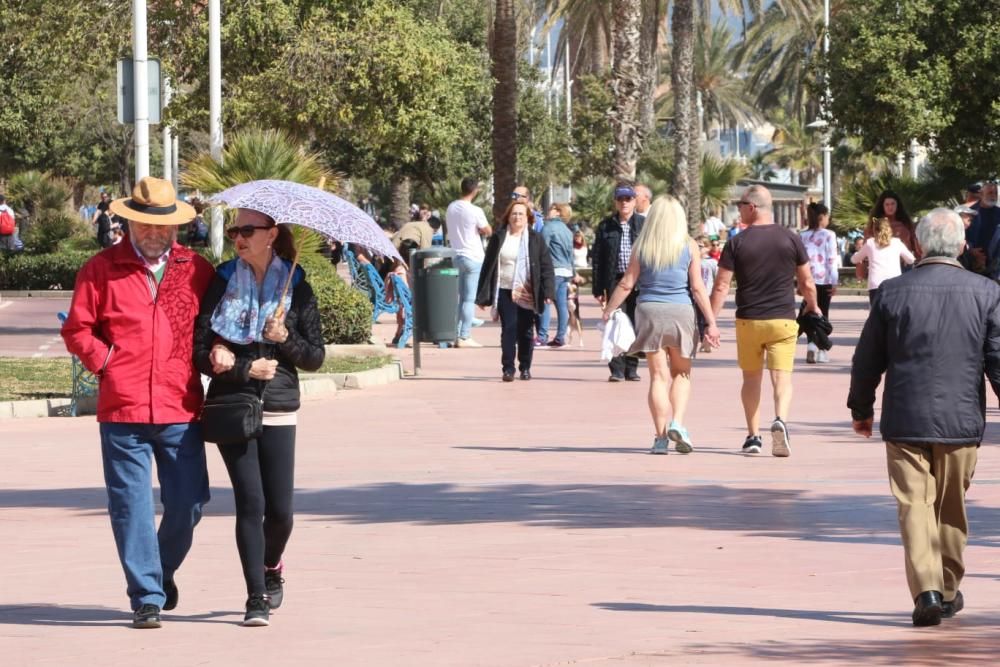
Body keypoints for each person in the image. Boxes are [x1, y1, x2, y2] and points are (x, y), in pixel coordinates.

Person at [60, 177, 215, 629]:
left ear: (176, 228)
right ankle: (146, 595)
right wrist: (107, 361)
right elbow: (77, 329)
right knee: (130, 505)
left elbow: (215, 323)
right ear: (129, 222)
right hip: (122, 409)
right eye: (144, 224)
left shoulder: (195, 268)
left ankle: (161, 573)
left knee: (190, 502)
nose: (153, 233)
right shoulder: (100, 268)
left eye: (162, 226)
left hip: (181, 405)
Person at [848, 208, 1000, 627]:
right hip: (961, 421)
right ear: (963, 246)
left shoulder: (892, 293)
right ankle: (947, 589)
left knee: (914, 506)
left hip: (904, 417)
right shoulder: (986, 292)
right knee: (952, 507)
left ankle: (928, 590)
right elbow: (998, 360)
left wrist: (861, 409)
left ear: (918, 245)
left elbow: (866, 360)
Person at [194, 209, 325, 627]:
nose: (238, 238)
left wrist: (284, 339)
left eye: (247, 231)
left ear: (271, 235)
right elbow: (198, 347)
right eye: (235, 230)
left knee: (281, 511)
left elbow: (316, 358)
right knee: (251, 503)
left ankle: (272, 566)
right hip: (234, 402)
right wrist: (237, 367)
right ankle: (255, 597)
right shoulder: (222, 279)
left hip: (280, 404)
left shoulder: (297, 285)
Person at [603, 196, 720, 454]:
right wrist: (711, 322)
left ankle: (660, 438)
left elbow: (626, 283)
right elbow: (698, 288)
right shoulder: (688, 245)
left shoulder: (642, 245)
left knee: (657, 376)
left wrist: (610, 309)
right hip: (681, 311)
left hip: (649, 311)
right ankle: (678, 421)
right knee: (682, 373)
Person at [709, 184, 820, 457]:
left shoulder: (737, 242)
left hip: (749, 320)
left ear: (752, 207)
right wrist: (814, 308)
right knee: (782, 378)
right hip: (783, 320)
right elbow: (806, 282)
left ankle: (753, 437)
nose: (739, 210)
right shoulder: (790, 239)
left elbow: (722, 286)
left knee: (751, 379)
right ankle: (780, 419)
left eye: (741, 205)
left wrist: (710, 321)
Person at [475, 200, 555, 382]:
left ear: (528, 218)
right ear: (508, 217)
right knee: (509, 328)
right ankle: (508, 368)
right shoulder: (499, 237)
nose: (517, 217)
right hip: (504, 289)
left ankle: (525, 366)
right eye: (514, 213)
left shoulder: (535, 239)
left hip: (527, 290)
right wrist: (482, 295)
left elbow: (546, 267)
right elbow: (488, 266)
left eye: (521, 214)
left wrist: (548, 291)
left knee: (526, 331)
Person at [591, 182, 645, 382]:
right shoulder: (606, 226)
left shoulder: (643, 224)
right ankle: (616, 369)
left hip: (638, 282)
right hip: (614, 281)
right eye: (620, 199)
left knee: (635, 323)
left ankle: (632, 367)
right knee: (614, 323)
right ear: (615, 201)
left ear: (634, 201)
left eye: (628, 199)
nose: (624, 203)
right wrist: (598, 288)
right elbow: (597, 258)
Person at [447, 177, 492, 348]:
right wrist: (480, 229)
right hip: (473, 256)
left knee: (460, 298)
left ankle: (456, 334)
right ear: (475, 191)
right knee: (469, 299)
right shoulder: (475, 210)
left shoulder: (451, 207)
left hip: (456, 255)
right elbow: (488, 230)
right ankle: (464, 335)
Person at [800, 203, 839, 363]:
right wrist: (835, 281)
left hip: (807, 279)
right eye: (827, 216)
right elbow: (832, 259)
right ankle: (822, 349)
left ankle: (811, 345)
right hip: (824, 280)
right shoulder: (829, 235)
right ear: (822, 217)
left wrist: (799, 282)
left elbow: (799, 261)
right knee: (823, 314)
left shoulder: (802, 235)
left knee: (809, 314)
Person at [852, 218, 916, 303]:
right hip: (894, 283)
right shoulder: (897, 242)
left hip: (875, 284)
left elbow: (854, 260)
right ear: (889, 229)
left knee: (876, 314)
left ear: (874, 230)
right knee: (892, 313)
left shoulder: (870, 243)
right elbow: (911, 259)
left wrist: (856, 254)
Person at [541, 203, 576, 348]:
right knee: (561, 305)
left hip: (553, 270)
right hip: (565, 270)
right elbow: (570, 253)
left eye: (551, 209)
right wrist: (572, 272)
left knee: (545, 301)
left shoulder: (549, 227)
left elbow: (542, 249)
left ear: (558, 212)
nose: (548, 211)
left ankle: (542, 336)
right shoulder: (567, 231)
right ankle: (560, 337)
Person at [866, 190, 919, 259]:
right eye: (887, 204)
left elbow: (914, 242)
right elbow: (867, 245)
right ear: (882, 206)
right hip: (883, 263)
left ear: (897, 204)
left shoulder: (905, 222)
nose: (890, 207)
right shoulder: (876, 223)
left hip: (906, 264)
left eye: (892, 204)